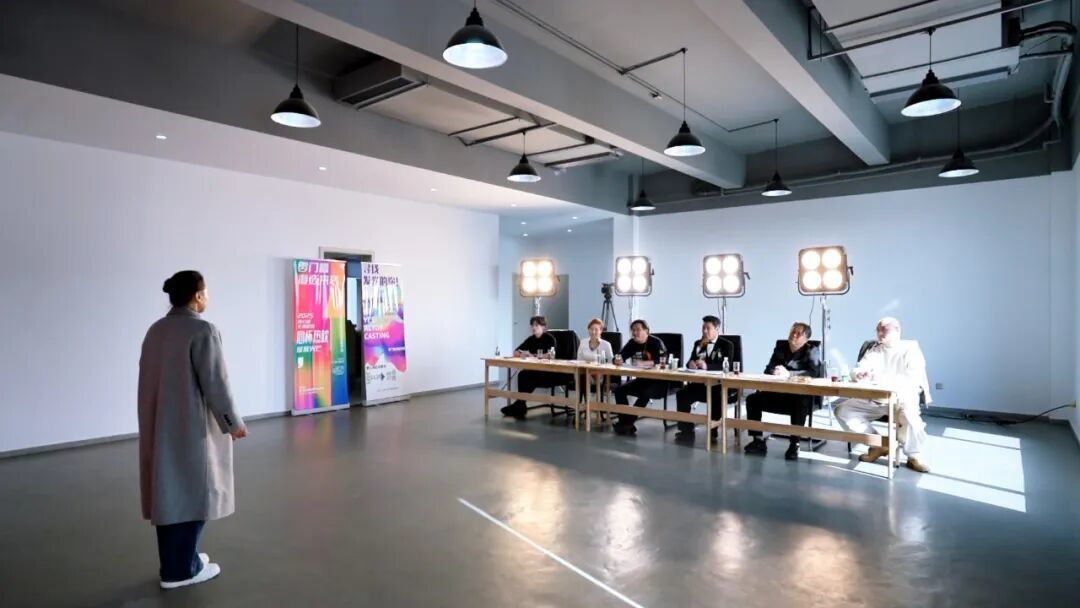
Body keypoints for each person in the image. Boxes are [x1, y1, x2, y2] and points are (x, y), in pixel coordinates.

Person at [138, 271, 247, 589]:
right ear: (197, 296)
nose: (208, 297)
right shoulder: (203, 330)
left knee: (168, 491)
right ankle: (181, 570)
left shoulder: (156, 330)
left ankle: (180, 560)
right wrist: (232, 424)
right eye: (206, 292)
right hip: (191, 425)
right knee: (195, 491)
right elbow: (216, 382)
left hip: (160, 423)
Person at [835, 317, 932, 473]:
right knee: (842, 411)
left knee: (910, 419)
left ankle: (914, 456)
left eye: (884, 330)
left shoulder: (911, 349)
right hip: (875, 399)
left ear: (898, 330)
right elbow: (859, 368)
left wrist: (878, 378)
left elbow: (912, 377)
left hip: (901, 400)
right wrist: (858, 374)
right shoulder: (875, 349)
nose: (880, 333)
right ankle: (878, 445)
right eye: (878, 330)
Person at [743, 322, 823, 461]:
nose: (794, 335)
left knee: (800, 402)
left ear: (806, 339)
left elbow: (813, 373)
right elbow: (768, 369)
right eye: (792, 331)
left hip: (798, 395)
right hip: (777, 393)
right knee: (752, 399)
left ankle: (794, 444)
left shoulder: (812, 351)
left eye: (798, 333)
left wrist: (789, 374)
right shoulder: (780, 348)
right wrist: (774, 371)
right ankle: (758, 440)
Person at [674, 315, 735, 442]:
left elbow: (727, 366)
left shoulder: (727, 345)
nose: (704, 331)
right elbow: (690, 361)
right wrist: (690, 363)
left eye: (708, 328)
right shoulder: (698, 343)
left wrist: (707, 366)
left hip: (719, 385)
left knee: (717, 395)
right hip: (700, 384)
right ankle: (686, 429)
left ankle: (713, 430)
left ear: (717, 329)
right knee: (682, 394)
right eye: (703, 328)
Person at [612, 319, 668, 436]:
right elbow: (620, 355)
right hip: (642, 380)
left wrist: (647, 363)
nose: (634, 333)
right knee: (619, 390)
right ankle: (626, 423)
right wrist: (617, 359)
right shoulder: (632, 343)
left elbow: (664, 361)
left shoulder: (656, 342)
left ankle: (627, 423)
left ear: (646, 331)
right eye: (633, 330)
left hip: (660, 381)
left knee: (645, 393)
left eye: (638, 330)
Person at [500, 315, 560, 420]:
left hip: (549, 371)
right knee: (522, 374)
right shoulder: (530, 339)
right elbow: (516, 352)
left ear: (543, 326)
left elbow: (550, 355)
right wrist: (523, 354)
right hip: (535, 369)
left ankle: (520, 405)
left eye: (536, 325)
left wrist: (532, 355)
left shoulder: (550, 338)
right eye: (532, 325)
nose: (533, 327)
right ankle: (521, 404)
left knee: (527, 376)